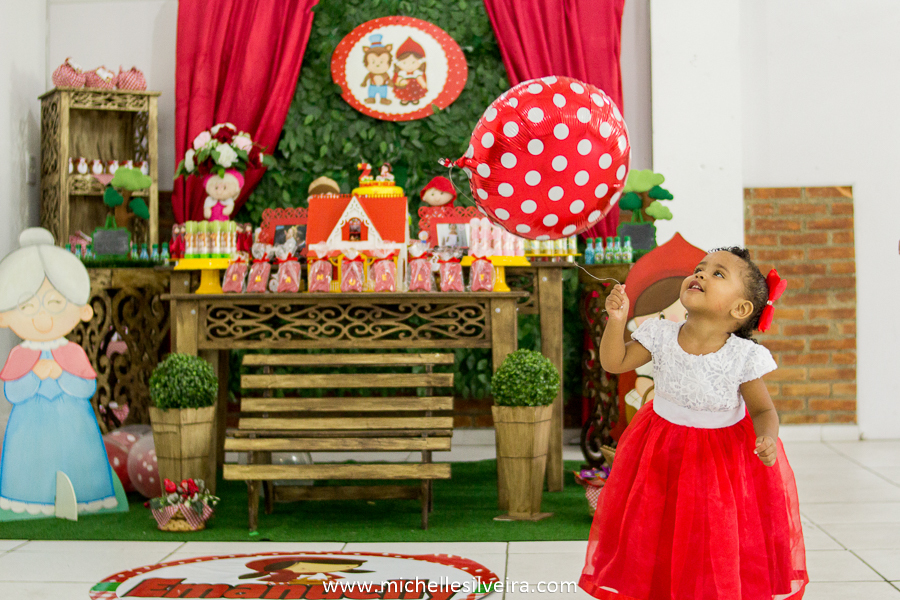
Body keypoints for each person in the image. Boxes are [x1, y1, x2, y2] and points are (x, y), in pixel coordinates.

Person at [580, 247, 807, 600]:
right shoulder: (660, 334)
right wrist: (616, 319)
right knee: (660, 526)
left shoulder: (742, 356)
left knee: (713, 533)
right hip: (661, 449)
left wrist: (766, 438)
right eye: (700, 268)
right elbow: (614, 362)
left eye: (717, 273)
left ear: (740, 309)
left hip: (720, 463)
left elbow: (764, 411)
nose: (700, 274)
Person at [0, 228, 117, 516]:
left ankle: (88, 496)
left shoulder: (72, 351)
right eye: (27, 306)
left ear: (82, 310)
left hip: (74, 422)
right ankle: (26, 498)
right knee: (29, 461)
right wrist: (33, 376)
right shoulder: (19, 354)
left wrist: (62, 375)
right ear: (5, 316)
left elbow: (87, 386)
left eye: (54, 303)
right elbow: (12, 391)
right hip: (29, 425)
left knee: (76, 454)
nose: (42, 316)